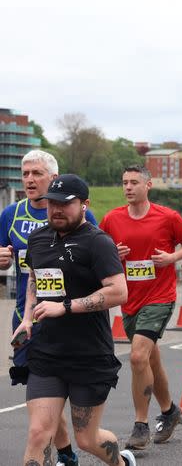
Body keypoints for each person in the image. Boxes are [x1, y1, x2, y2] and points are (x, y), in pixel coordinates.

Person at [13, 174, 136, 466]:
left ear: (84, 205)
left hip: (89, 356)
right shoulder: (39, 238)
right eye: (51, 203)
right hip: (46, 354)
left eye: (65, 204)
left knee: (87, 439)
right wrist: (28, 317)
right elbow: (35, 278)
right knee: (38, 433)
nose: (56, 209)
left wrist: (65, 307)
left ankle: (121, 462)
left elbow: (119, 292)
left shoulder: (98, 243)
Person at [0, 150, 98, 466]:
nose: (29, 179)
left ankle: (73, 452)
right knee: (42, 404)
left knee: (64, 413)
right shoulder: (11, 215)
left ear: (53, 178)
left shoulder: (76, 214)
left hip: (71, 321)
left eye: (36, 173)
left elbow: (98, 261)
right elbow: (4, 258)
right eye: (25, 173)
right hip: (27, 320)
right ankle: (67, 455)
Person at [99, 165, 182, 450]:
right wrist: (112, 254)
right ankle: (170, 410)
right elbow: (98, 249)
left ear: (148, 185)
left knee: (138, 357)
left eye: (134, 182)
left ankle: (140, 425)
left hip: (160, 296)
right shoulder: (112, 219)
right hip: (129, 299)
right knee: (151, 359)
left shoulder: (168, 217)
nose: (128, 187)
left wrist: (172, 257)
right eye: (124, 182)